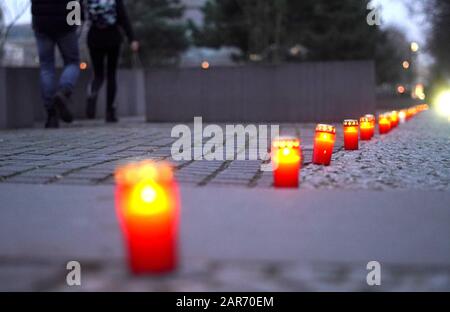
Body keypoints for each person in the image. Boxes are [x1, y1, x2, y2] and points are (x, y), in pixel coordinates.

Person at [31, 0, 83, 128]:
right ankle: (64, 91)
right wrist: (77, 21)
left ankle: (51, 115)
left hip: (42, 23)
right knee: (72, 62)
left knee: (46, 67)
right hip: (66, 21)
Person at [85, 0, 139, 123]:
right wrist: (132, 38)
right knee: (111, 75)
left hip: (94, 38)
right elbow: (124, 18)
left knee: (98, 74)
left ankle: (92, 94)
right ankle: (110, 112)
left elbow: (80, 16)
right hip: (113, 38)